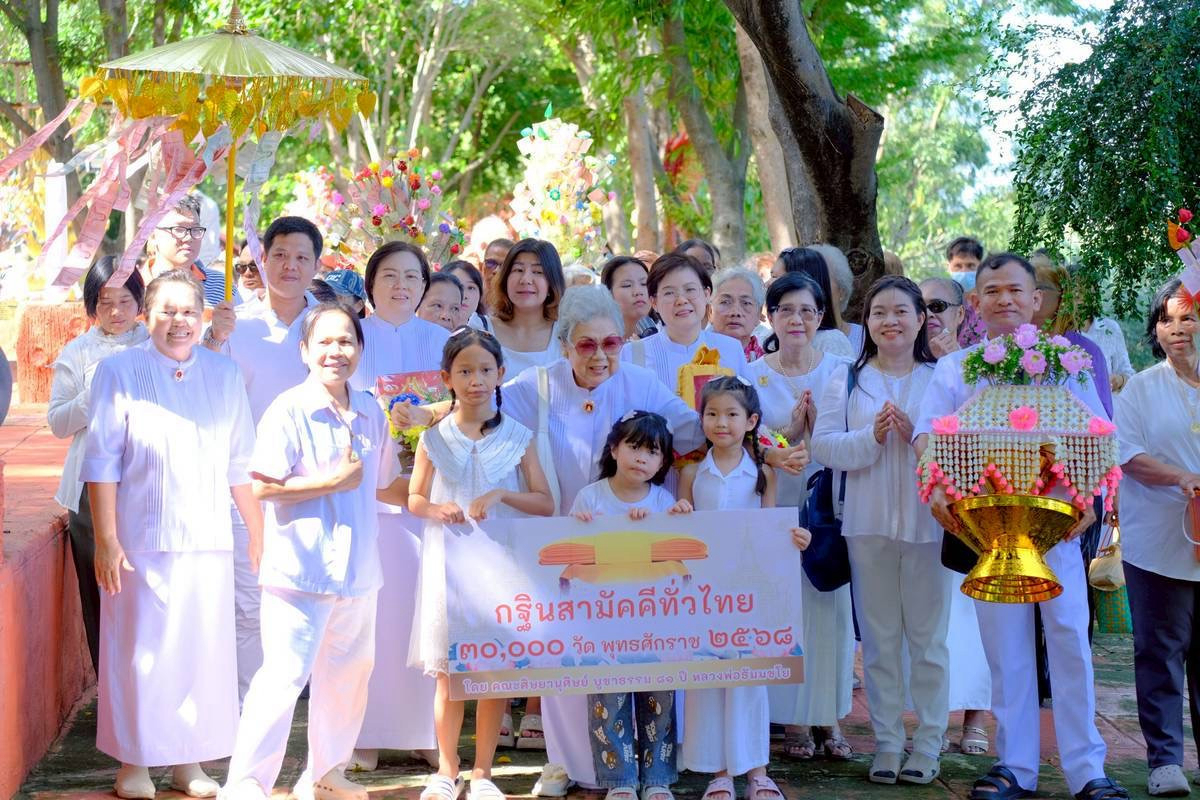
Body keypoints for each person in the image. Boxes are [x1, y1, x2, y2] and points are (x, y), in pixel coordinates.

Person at [916, 252, 1128, 800]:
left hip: (1057, 526)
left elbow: (1099, 434)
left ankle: (1088, 770)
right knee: (1005, 648)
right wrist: (937, 484)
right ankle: (1015, 766)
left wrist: (1090, 496)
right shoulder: (955, 368)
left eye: (1015, 290)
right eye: (992, 291)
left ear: (1037, 300)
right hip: (991, 529)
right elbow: (927, 435)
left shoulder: (1068, 364)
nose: (1004, 300)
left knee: (1069, 640)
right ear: (975, 302)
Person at [499, 286, 708, 796]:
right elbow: (484, 407)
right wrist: (425, 413)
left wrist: (763, 449)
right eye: (586, 345)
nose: (600, 356)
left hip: (634, 556)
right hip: (566, 550)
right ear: (564, 345)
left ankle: (645, 768)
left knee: (637, 662)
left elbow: (696, 432)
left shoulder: (640, 381)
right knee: (564, 660)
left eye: (611, 343)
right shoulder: (536, 386)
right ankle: (562, 762)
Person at [82, 270, 261, 799]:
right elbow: (101, 462)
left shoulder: (224, 373)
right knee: (140, 655)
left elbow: (241, 464)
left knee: (201, 654)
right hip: (139, 539)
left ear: (202, 316)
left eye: (188, 311)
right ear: (147, 316)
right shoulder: (118, 371)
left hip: (208, 538)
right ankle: (133, 763)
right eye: (167, 311)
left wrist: (258, 534)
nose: (179, 322)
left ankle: (190, 762)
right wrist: (107, 539)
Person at [221, 303, 403, 800]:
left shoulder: (371, 412)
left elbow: (384, 484)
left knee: (348, 678)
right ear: (303, 350)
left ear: (360, 349)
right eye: (324, 342)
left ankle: (326, 773)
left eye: (346, 341)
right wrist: (330, 482)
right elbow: (263, 486)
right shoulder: (289, 409)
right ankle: (247, 782)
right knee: (282, 679)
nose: (335, 351)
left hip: (358, 571)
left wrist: (442, 491)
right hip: (300, 571)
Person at [812, 276, 948, 784]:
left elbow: (960, 447)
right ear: (866, 322)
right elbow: (825, 445)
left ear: (921, 319)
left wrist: (916, 438)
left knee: (928, 642)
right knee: (879, 640)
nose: (890, 321)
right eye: (878, 313)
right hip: (865, 525)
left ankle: (929, 742)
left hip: (930, 524)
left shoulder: (942, 378)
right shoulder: (846, 378)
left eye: (901, 311)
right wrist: (871, 436)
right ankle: (888, 743)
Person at [408, 328, 555, 800]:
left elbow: (545, 502)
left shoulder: (519, 437)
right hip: (448, 568)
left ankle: (483, 772)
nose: (476, 380)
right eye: (465, 371)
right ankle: (446, 769)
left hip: (500, 569)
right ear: (447, 378)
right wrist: (435, 509)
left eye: (485, 370)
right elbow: (414, 497)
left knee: (494, 668)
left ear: (500, 374)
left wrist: (502, 494)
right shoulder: (434, 438)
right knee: (449, 673)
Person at [208, 215, 325, 701]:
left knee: (313, 594)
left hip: (319, 484)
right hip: (250, 485)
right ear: (262, 259)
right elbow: (206, 387)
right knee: (250, 601)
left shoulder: (331, 326)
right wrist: (213, 339)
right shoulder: (237, 325)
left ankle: (306, 693)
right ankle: (248, 703)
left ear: (317, 265)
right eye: (279, 255)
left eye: (301, 257)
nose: (289, 266)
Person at [677, 377, 809, 800]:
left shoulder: (763, 473)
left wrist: (794, 539)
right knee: (710, 678)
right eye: (712, 414)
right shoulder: (691, 473)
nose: (721, 423)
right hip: (703, 594)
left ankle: (756, 771)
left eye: (732, 414)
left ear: (751, 421)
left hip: (747, 594)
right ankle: (718, 773)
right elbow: (682, 530)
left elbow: (770, 529)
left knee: (749, 678)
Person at [743, 274, 854, 761]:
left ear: (821, 316)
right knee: (785, 605)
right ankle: (792, 716)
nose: (797, 319)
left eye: (807, 310)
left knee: (828, 603)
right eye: (785, 309)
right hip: (775, 502)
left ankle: (828, 713)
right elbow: (739, 436)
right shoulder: (751, 374)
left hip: (829, 504)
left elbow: (851, 431)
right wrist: (787, 436)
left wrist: (818, 435)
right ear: (769, 316)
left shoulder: (841, 369)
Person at [348, 241, 449, 771]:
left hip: (427, 496)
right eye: (389, 275)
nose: (401, 285)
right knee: (370, 619)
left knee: (422, 615)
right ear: (370, 284)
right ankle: (363, 733)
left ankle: (423, 732)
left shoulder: (443, 341)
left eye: (412, 276)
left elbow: (471, 397)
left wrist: (432, 412)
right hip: (365, 496)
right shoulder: (351, 338)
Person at [570, 412, 692, 800]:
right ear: (613, 449)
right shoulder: (590, 497)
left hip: (655, 623)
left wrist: (673, 519)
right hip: (603, 623)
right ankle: (619, 780)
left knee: (660, 700)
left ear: (663, 462)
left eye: (652, 451)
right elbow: (571, 551)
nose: (641, 457)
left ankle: (658, 778)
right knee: (608, 701)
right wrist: (581, 524)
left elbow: (678, 555)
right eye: (634, 447)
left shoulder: (663, 500)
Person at [1114, 278, 1200, 797]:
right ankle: (1165, 761)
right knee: (1161, 652)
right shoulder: (1142, 388)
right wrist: (1181, 477)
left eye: (1188, 317)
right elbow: (1128, 455)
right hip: (1157, 544)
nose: (1176, 328)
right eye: (1166, 319)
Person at [49, 257, 148, 676]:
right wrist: (94, 392)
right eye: (105, 302)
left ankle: (147, 687)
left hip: (147, 484)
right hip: (89, 493)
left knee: (148, 592)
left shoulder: (157, 345)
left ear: (140, 301)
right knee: (98, 594)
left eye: (125, 301)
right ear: (92, 304)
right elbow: (58, 423)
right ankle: (109, 691)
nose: (116, 312)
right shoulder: (78, 353)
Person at [918, 276, 992, 756]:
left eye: (939, 305)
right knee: (933, 623)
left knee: (973, 616)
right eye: (920, 306)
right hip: (923, 503)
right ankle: (933, 718)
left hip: (976, 503)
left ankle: (976, 717)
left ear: (964, 312)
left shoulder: (980, 362)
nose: (929, 315)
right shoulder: (904, 359)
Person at [621, 253, 747, 392]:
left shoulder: (731, 349)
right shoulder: (632, 354)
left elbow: (748, 402)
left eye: (690, 289)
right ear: (654, 302)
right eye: (669, 293)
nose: (681, 300)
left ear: (706, 294)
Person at [488, 238, 567, 378]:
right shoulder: (482, 330)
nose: (525, 279)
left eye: (538, 272)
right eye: (518, 270)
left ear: (552, 283)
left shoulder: (566, 336)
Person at [139, 194, 228, 307]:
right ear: (152, 235)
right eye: (179, 229)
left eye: (195, 229)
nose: (189, 237)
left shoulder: (222, 286)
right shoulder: (132, 288)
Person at [771, 248, 855, 358]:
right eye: (772, 276)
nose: (768, 284)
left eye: (776, 278)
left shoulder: (830, 342)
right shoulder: (769, 336)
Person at [709, 268, 768, 362]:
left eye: (746, 303)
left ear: (758, 313)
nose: (735, 312)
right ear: (710, 311)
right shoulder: (693, 357)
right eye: (725, 302)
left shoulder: (770, 365)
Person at [944, 237, 987, 348]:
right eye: (958, 266)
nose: (964, 271)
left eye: (970, 266)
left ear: (981, 266)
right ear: (948, 267)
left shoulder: (988, 303)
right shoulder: (941, 303)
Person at [601, 255, 656, 340]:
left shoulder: (666, 332)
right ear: (608, 293)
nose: (638, 292)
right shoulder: (599, 342)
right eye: (627, 285)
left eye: (644, 284)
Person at [920, 278, 966, 359]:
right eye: (920, 307)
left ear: (960, 314)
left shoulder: (976, 362)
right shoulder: (901, 361)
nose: (928, 314)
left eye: (937, 306)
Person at [443, 260, 488, 331]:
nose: (464, 296)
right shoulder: (427, 330)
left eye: (471, 288)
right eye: (457, 286)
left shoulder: (489, 332)